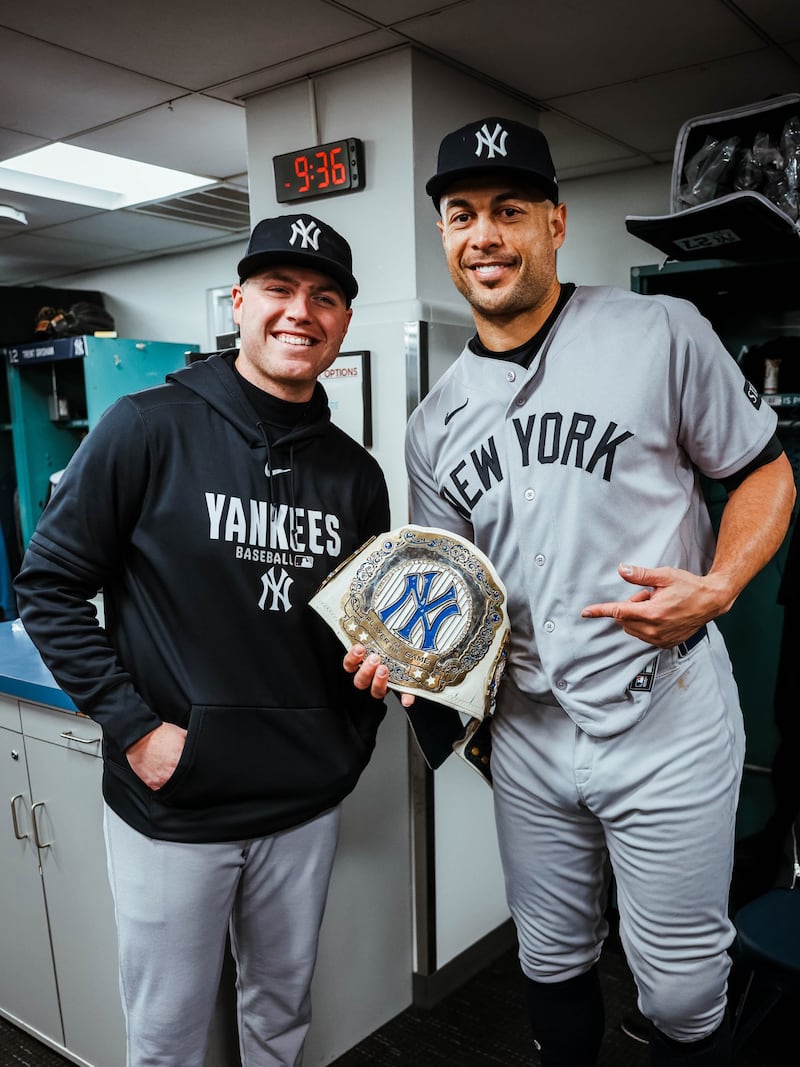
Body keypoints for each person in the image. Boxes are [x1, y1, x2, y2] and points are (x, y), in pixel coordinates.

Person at [346, 116, 796, 1066]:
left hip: (664, 708)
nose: (485, 235)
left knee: (680, 987)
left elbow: (767, 470)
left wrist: (720, 584)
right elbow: (451, 597)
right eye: (462, 214)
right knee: (548, 957)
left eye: (509, 209)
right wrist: (402, 655)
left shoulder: (660, 330)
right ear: (443, 234)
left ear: (555, 222)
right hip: (529, 727)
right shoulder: (433, 423)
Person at [14, 213, 390, 1067]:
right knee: (166, 1038)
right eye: (279, 288)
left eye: (324, 297)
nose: (301, 311)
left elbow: (360, 632)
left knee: (280, 1016)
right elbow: (48, 586)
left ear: (343, 320)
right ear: (240, 301)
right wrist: (137, 731)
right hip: (174, 802)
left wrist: (352, 731)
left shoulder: (355, 474)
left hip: (304, 801)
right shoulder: (145, 426)